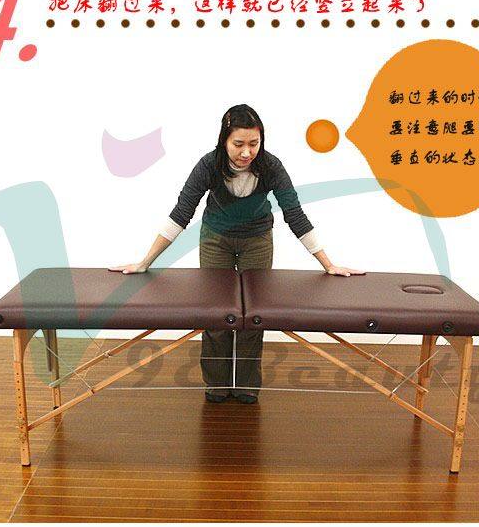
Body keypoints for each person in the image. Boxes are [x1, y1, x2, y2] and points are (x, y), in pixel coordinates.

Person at [109, 104, 364, 404]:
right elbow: (181, 213)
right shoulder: (209, 165)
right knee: (216, 314)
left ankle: (245, 384)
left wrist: (328, 264)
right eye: (238, 144)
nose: (246, 152)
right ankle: (217, 384)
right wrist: (145, 262)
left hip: (257, 240)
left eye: (254, 144)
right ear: (224, 140)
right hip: (216, 239)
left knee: (253, 316)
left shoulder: (270, 166)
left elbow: (294, 214)